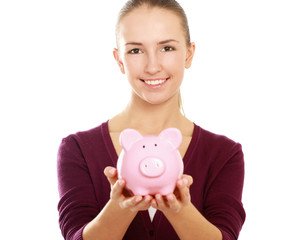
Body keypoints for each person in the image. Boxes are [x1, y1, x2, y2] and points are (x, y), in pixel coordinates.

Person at [57, 0, 246, 239]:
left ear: (188, 54)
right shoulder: (78, 149)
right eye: (136, 50)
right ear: (119, 60)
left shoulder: (224, 154)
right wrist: (120, 207)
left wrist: (180, 210)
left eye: (167, 48)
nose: (153, 66)